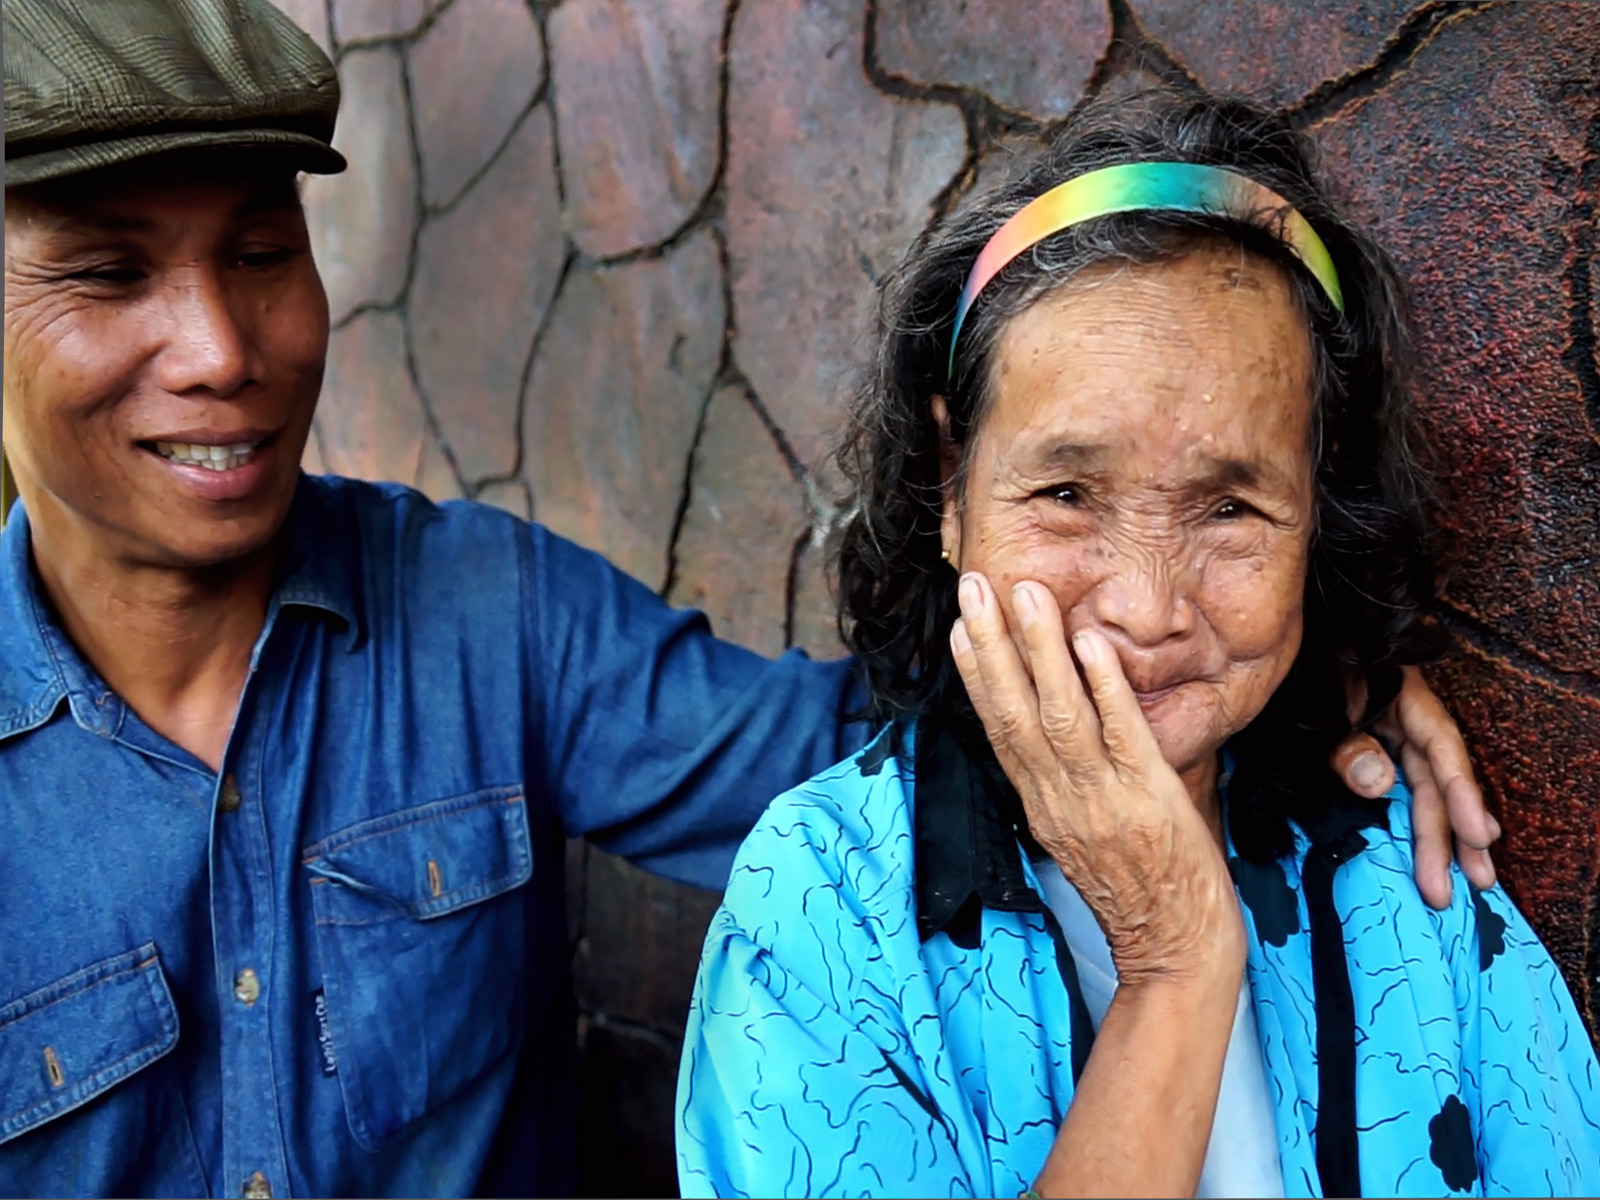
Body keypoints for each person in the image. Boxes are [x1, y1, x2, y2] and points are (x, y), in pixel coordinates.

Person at [0, 1, 1494, 1194]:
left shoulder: (480, 612)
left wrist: (1259, 671)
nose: (219, 348)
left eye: (263, 254)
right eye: (108, 274)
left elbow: (890, 736)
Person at [675, 90, 1600, 1197]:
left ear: (1318, 515)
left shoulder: (1407, 865)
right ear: (951, 485)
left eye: (1232, 509)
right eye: (1067, 494)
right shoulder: (821, 907)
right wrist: (1174, 964)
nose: (1148, 609)